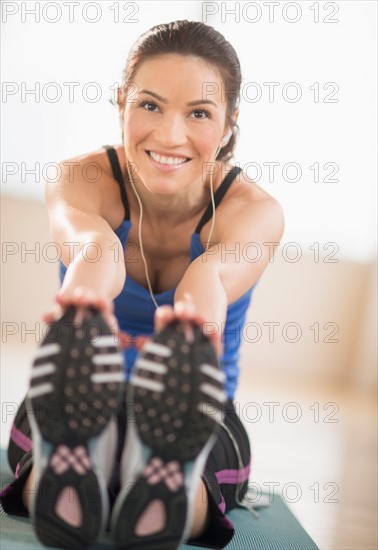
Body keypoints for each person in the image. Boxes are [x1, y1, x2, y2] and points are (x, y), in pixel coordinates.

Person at [0, 19, 284, 550]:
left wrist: (191, 333)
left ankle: (165, 478)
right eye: (150, 105)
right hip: (84, 394)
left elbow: (212, 276)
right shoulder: (81, 177)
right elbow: (94, 248)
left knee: (193, 455)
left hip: (196, 410)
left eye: (198, 113)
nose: (169, 135)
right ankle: (100, 467)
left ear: (228, 125)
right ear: (121, 103)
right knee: (56, 427)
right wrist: (83, 301)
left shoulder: (254, 211)